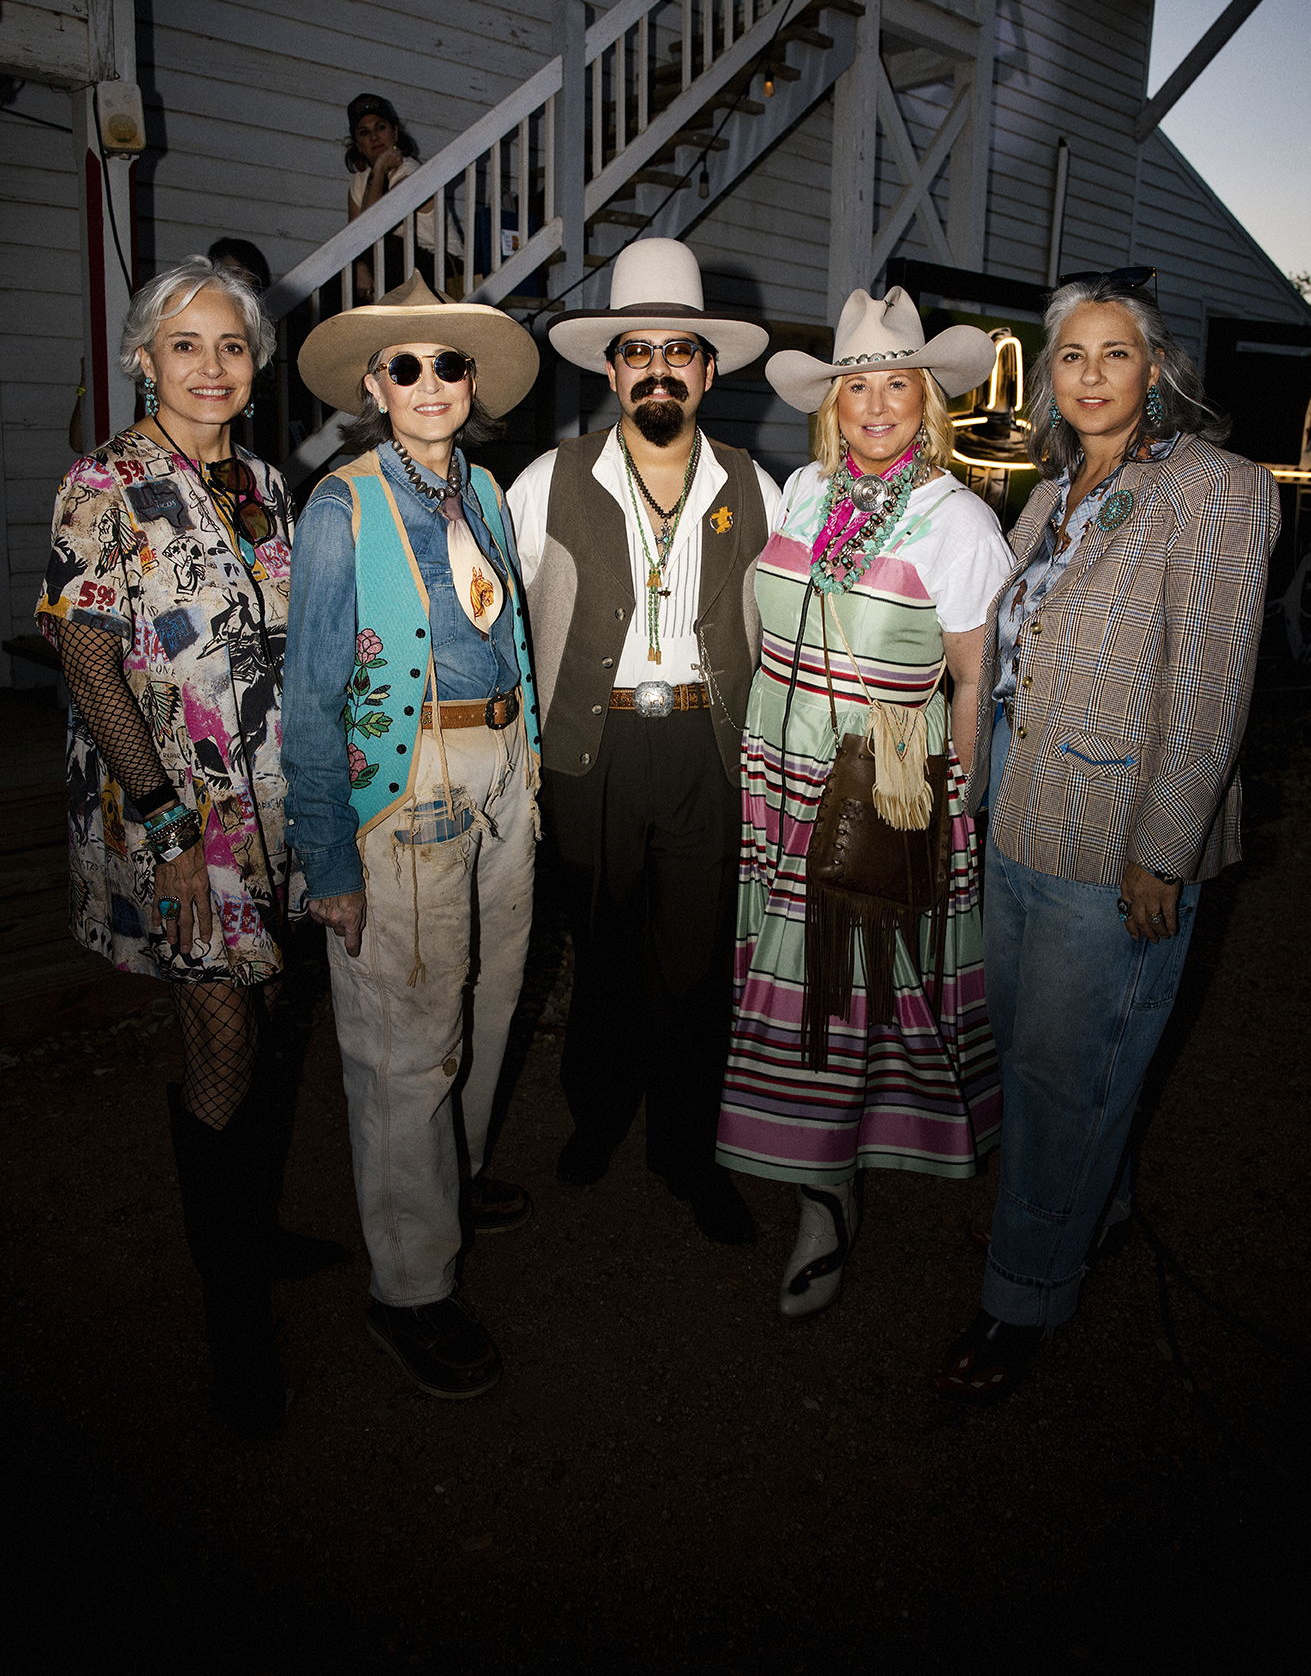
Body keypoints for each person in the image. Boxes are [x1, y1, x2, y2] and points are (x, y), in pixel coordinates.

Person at [936, 271, 1281, 1400]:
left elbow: (1213, 687)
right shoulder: (1052, 492)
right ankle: (1100, 1205)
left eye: (1112, 354)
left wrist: (1164, 851)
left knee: (1058, 1077)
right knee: (1051, 1058)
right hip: (1024, 817)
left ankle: (1020, 1299)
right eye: (1070, 357)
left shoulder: (1214, 486)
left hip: (1115, 843)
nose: (1088, 375)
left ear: (1157, 368)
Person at [36, 255, 337, 1437]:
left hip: (276, 812)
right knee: (220, 1039)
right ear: (144, 357)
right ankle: (233, 1323)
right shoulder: (102, 483)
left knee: (267, 1025)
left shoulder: (268, 480)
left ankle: (251, 1231)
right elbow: (89, 660)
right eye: (187, 345)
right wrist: (164, 822)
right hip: (174, 816)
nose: (212, 367)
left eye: (232, 346)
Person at [715, 288, 1012, 1315]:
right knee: (803, 984)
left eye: (897, 384)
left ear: (927, 401)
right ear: (831, 405)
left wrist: (953, 804)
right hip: (781, 768)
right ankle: (823, 1175)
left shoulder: (959, 517)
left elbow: (974, 679)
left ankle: (824, 1195)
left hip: (881, 781)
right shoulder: (801, 490)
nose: (876, 404)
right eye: (857, 387)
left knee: (840, 993)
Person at [282, 273, 539, 1401]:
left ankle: (452, 1172)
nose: (430, 382)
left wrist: (524, 769)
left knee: (486, 1002)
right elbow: (310, 693)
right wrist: (330, 855)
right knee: (403, 1044)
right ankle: (410, 1288)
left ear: (472, 383)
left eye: (450, 363)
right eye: (406, 366)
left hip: (501, 770)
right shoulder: (341, 506)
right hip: (408, 783)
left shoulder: (481, 486)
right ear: (374, 387)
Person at [508, 238, 780, 1246]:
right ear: (611, 368)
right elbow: (500, 624)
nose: (658, 366)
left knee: (696, 964)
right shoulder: (547, 479)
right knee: (602, 948)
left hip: (710, 750)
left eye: (679, 349)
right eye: (638, 349)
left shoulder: (762, 489)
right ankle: (596, 1117)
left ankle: (686, 1151)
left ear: (708, 369)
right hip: (591, 752)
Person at [344, 92, 441, 299]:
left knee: (384, 246)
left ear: (395, 133)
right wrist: (360, 268)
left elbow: (370, 228)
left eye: (381, 127)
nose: (374, 137)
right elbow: (353, 239)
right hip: (395, 265)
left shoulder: (411, 172)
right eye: (364, 132)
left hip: (441, 266)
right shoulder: (359, 181)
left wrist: (379, 170)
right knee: (339, 271)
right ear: (358, 144)